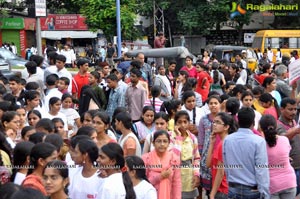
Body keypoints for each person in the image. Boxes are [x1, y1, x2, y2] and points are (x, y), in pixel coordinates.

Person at [223, 107, 270, 198]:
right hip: (252, 190)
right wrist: (265, 192)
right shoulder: (259, 141)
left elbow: (226, 165)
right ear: (253, 122)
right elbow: (261, 169)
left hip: (233, 187)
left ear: (238, 121)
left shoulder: (228, 139)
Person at [260, 115, 297, 199]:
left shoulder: (260, 144)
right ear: (276, 126)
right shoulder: (284, 140)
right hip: (289, 181)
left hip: (272, 184)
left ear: (261, 128)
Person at [206, 112, 237, 199]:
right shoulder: (222, 142)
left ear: (226, 127)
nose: (214, 125)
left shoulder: (224, 144)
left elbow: (220, 172)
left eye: (218, 122)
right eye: (214, 122)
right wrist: (212, 143)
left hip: (223, 190)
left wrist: (212, 194)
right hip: (221, 188)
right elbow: (208, 164)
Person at [142, 130, 181, 199]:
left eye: (165, 141)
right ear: (153, 143)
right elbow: (142, 183)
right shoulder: (146, 158)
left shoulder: (174, 159)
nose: (162, 144)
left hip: (169, 195)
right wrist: (159, 177)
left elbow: (177, 183)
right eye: (158, 141)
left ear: (169, 143)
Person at [173, 111, 200, 198]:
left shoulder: (192, 138)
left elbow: (196, 158)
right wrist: (178, 137)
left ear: (189, 123)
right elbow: (174, 155)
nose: (183, 125)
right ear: (175, 123)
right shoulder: (170, 137)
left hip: (189, 174)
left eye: (185, 122)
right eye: (179, 122)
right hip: (175, 173)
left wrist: (196, 174)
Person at [276, 98, 300, 196]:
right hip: (291, 168)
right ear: (282, 109)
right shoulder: (278, 125)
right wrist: (295, 131)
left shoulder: (294, 122)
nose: (294, 112)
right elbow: (282, 139)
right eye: (290, 109)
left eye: (295, 109)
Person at [198, 95, 222, 195]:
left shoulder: (224, 119)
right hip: (207, 154)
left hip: (220, 153)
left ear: (220, 104)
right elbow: (201, 139)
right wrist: (200, 154)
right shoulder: (203, 120)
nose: (213, 105)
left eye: (215, 103)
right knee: (208, 186)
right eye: (211, 103)